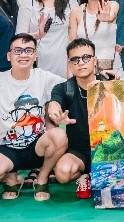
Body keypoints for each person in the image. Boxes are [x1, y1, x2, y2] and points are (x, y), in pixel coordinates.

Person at [0, 33, 65, 201]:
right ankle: (11, 178)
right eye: (17, 51)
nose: (23, 55)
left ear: (35, 55)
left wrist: (97, 78)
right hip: (6, 147)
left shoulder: (44, 77)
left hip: (36, 145)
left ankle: (42, 178)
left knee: (59, 135)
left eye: (28, 50)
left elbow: (71, 85)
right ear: (9, 56)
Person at [43, 38, 101, 195]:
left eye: (86, 57)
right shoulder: (63, 88)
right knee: (62, 173)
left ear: (95, 60)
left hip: (107, 149)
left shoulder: (109, 84)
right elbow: (54, 105)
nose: (81, 63)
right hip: (78, 152)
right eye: (75, 59)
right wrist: (56, 115)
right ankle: (84, 176)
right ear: (69, 64)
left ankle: (95, 175)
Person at [21, 0, 75, 75]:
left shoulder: (70, 2)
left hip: (64, 67)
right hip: (37, 68)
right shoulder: (28, 3)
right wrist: (38, 35)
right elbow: (19, 39)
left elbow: (77, 36)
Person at [69, 0, 120, 78]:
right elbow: (71, 47)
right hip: (85, 72)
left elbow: (111, 15)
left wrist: (107, 18)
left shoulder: (112, 5)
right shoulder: (76, 12)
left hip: (111, 71)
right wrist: (70, 79)